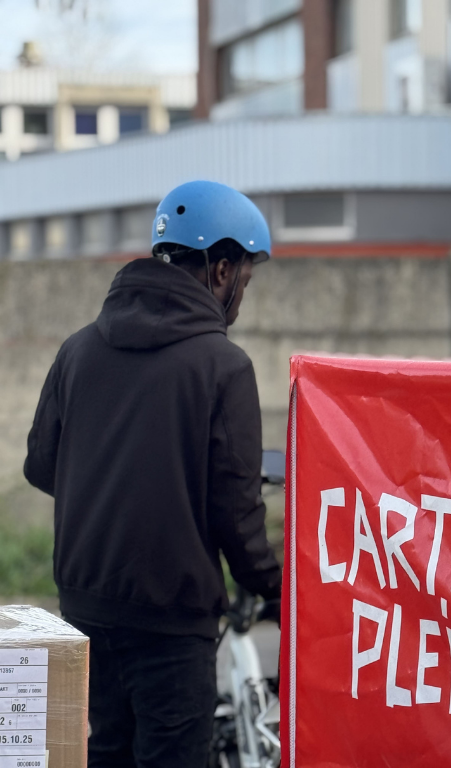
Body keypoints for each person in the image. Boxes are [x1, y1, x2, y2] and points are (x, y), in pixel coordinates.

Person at [24, 180, 283, 768]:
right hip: (172, 630)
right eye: (246, 275)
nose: (243, 294)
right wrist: (282, 590)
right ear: (221, 269)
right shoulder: (224, 367)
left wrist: (114, 486)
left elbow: (42, 465)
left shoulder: (78, 350)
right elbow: (237, 518)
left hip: (83, 615)